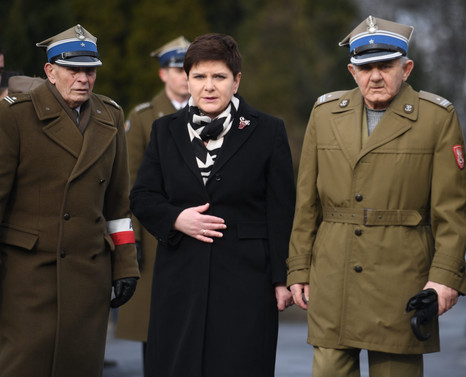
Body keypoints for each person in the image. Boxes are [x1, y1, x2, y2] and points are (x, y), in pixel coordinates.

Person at [287, 15, 466, 377]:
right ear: (351, 71)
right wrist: (298, 268)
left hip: (401, 279)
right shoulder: (325, 114)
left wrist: (446, 277)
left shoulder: (436, 117)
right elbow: (307, 203)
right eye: (365, 67)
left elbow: (451, 212)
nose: (375, 76)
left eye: (385, 66)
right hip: (332, 276)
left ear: (407, 68)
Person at [129, 33, 296, 376]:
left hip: (248, 280)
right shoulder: (163, 130)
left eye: (219, 77)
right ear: (187, 80)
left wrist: (283, 279)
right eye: (199, 77)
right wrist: (176, 219)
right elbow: (142, 197)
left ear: (236, 81)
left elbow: (281, 209)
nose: (208, 86)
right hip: (179, 277)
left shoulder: (268, 130)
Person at [0, 24, 139, 377]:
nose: (83, 79)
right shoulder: (15, 115)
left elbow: (118, 205)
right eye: (73, 69)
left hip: (88, 275)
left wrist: (124, 265)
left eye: (90, 70)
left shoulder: (111, 115)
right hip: (28, 276)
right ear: (50, 71)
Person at [115, 35, 191, 362]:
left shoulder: (213, 110)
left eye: (190, 68)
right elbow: (130, 184)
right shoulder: (145, 117)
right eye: (177, 69)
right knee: (157, 331)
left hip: (201, 227)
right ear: (163, 74)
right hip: (155, 234)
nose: (185, 76)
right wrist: (131, 242)